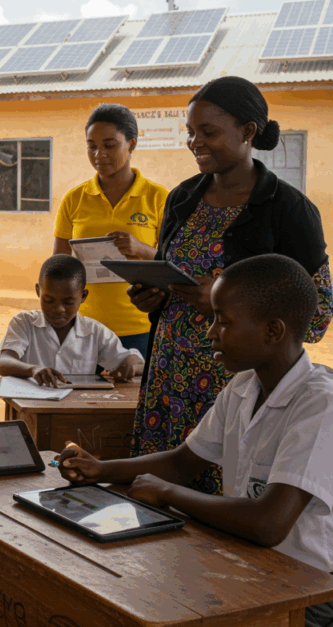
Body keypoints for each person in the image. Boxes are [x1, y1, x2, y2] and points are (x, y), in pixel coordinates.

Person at [59, 254, 333, 627]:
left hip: (308, 591)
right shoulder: (242, 387)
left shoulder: (319, 404)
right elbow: (182, 463)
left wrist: (167, 494)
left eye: (223, 321)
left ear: (272, 332)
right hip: (252, 564)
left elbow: (270, 523)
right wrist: (100, 469)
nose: (210, 332)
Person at [128, 76, 332, 495]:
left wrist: (222, 300)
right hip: (169, 375)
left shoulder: (289, 209)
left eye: (208, 132)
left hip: (233, 382)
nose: (194, 142)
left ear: (248, 132)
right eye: (190, 133)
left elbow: (319, 308)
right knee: (158, 499)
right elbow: (169, 273)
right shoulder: (182, 198)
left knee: (223, 507)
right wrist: (153, 297)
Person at [53, 104, 169, 359]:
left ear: (132, 144)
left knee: (135, 399)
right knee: (84, 399)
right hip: (85, 327)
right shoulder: (74, 199)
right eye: (91, 146)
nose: (99, 154)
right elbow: (57, 265)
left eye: (109, 145)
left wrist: (140, 248)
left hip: (142, 327)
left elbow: (173, 265)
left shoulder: (158, 198)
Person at [0, 254, 143, 387]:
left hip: (75, 409)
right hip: (30, 406)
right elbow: (4, 362)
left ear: (83, 296)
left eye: (68, 302)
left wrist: (131, 364)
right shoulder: (24, 322)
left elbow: (136, 364)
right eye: (48, 300)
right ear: (38, 291)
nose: (58, 309)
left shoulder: (95, 332)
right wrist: (33, 369)